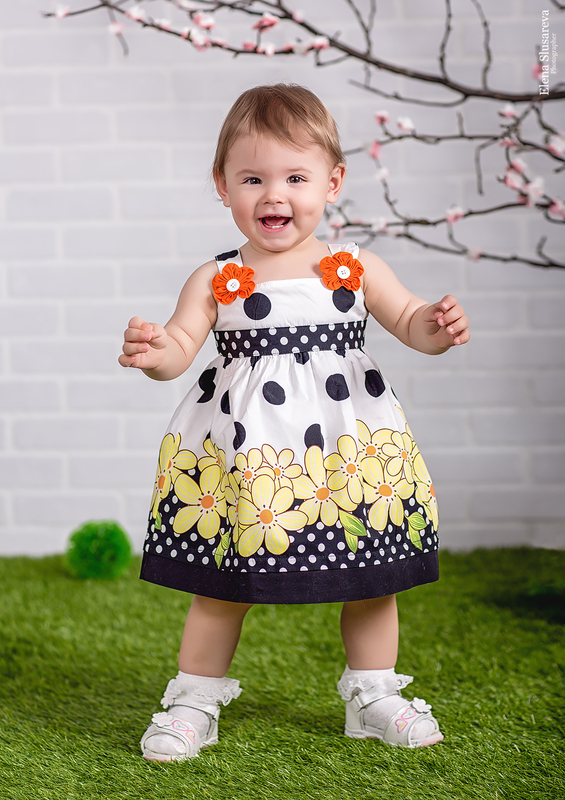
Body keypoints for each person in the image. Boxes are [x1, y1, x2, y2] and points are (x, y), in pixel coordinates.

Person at [119, 84, 470, 761]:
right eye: (253, 178)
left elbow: (409, 321)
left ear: (332, 183)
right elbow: (180, 348)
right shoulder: (216, 278)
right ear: (222, 185)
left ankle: (373, 695)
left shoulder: (354, 268)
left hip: (347, 451)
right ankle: (194, 701)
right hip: (250, 460)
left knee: (370, 577)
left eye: (295, 178)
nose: (273, 195)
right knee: (223, 585)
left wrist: (434, 324)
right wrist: (155, 351)